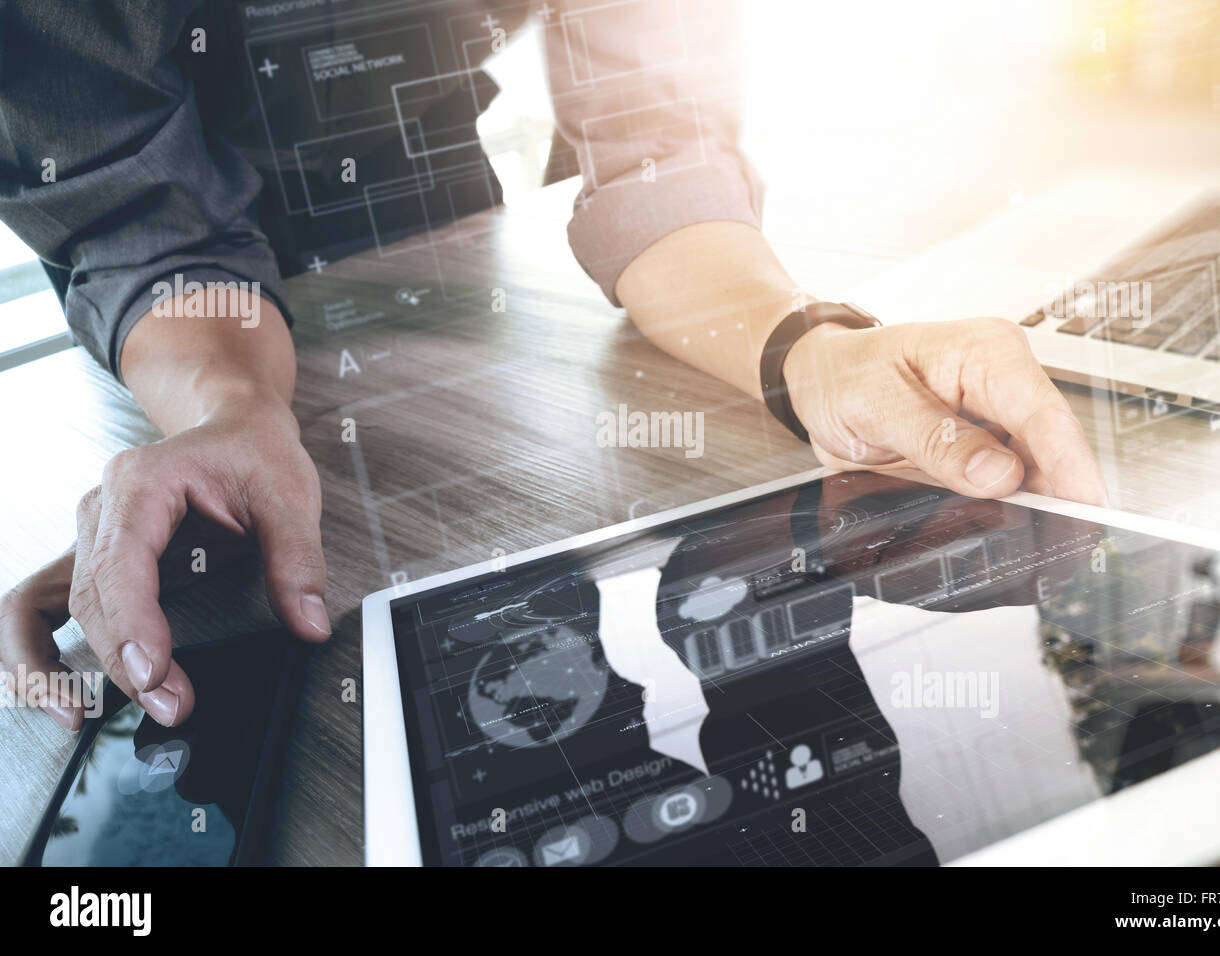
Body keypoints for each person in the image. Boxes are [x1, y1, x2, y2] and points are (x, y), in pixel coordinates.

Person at [0, 0, 1107, 732]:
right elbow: (140, 215)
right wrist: (226, 411)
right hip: (177, 351)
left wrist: (803, 349)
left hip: (455, 258)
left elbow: (651, 145)